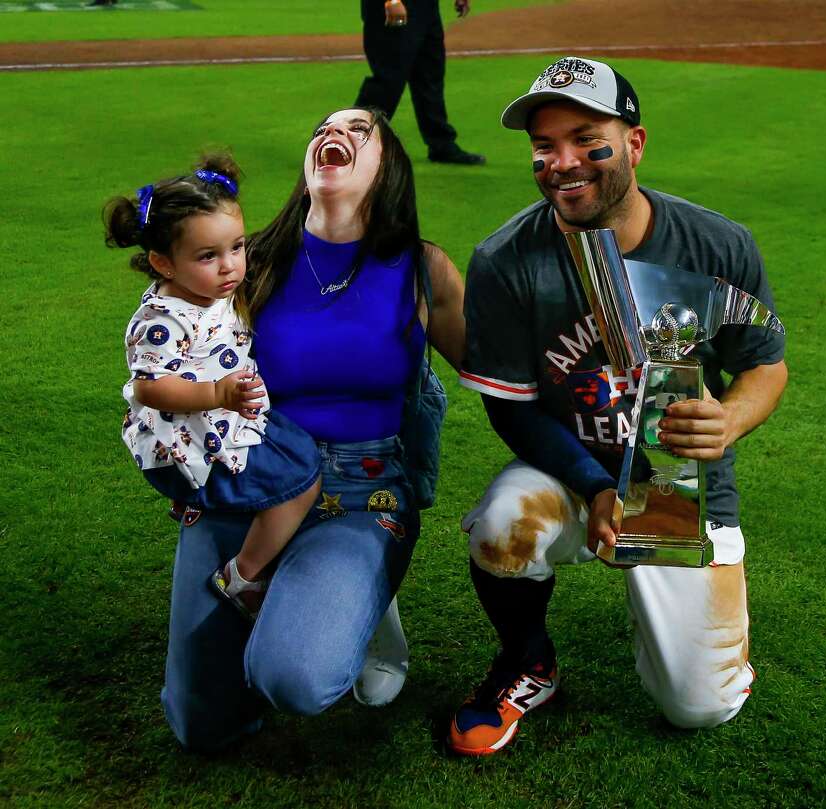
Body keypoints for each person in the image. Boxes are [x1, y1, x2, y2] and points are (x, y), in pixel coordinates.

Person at [448, 56, 789, 756]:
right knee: (502, 524)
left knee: (699, 706)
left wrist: (729, 417)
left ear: (634, 144)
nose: (562, 162)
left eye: (584, 138)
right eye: (544, 146)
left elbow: (765, 367)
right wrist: (599, 486)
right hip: (571, 474)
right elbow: (513, 411)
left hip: (674, 487)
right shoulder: (506, 260)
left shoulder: (716, 245)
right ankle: (527, 660)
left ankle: (689, 642)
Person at [156, 108, 466, 750]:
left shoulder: (421, 268)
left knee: (292, 676)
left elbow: (498, 371)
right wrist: (192, 468)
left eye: (360, 131)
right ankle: (305, 586)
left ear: (388, 168)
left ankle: (345, 591)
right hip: (257, 473)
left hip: (365, 485)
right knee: (202, 728)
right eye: (325, 128)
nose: (336, 135)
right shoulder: (252, 262)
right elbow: (170, 355)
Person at [106, 153, 322, 623]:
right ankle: (242, 577)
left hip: (220, 421)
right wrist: (217, 395)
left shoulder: (210, 290)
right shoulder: (164, 320)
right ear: (163, 263)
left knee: (293, 450)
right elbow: (150, 389)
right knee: (302, 481)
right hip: (194, 434)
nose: (230, 267)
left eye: (237, 247)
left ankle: (198, 499)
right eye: (208, 256)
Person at [355, 0, 485, 166]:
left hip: (425, 6)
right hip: (393, 4)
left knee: (429, 74)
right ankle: (351, 139)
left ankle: (441, 144)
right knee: (388, 79)